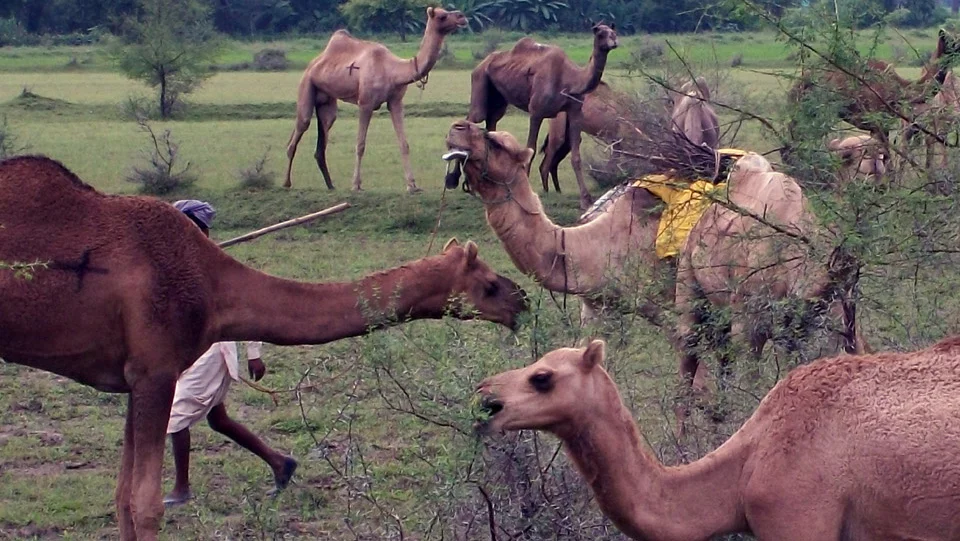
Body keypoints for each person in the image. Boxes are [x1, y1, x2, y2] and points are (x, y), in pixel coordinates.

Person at [164, 199, 297, 507]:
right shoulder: (180, 262)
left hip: (212, 351)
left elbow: (246, 307)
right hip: (192, 351)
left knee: (176, 419)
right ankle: (279, 463)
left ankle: (181, 488)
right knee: (219, 420)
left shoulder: (214, 267)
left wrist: (254, 352)